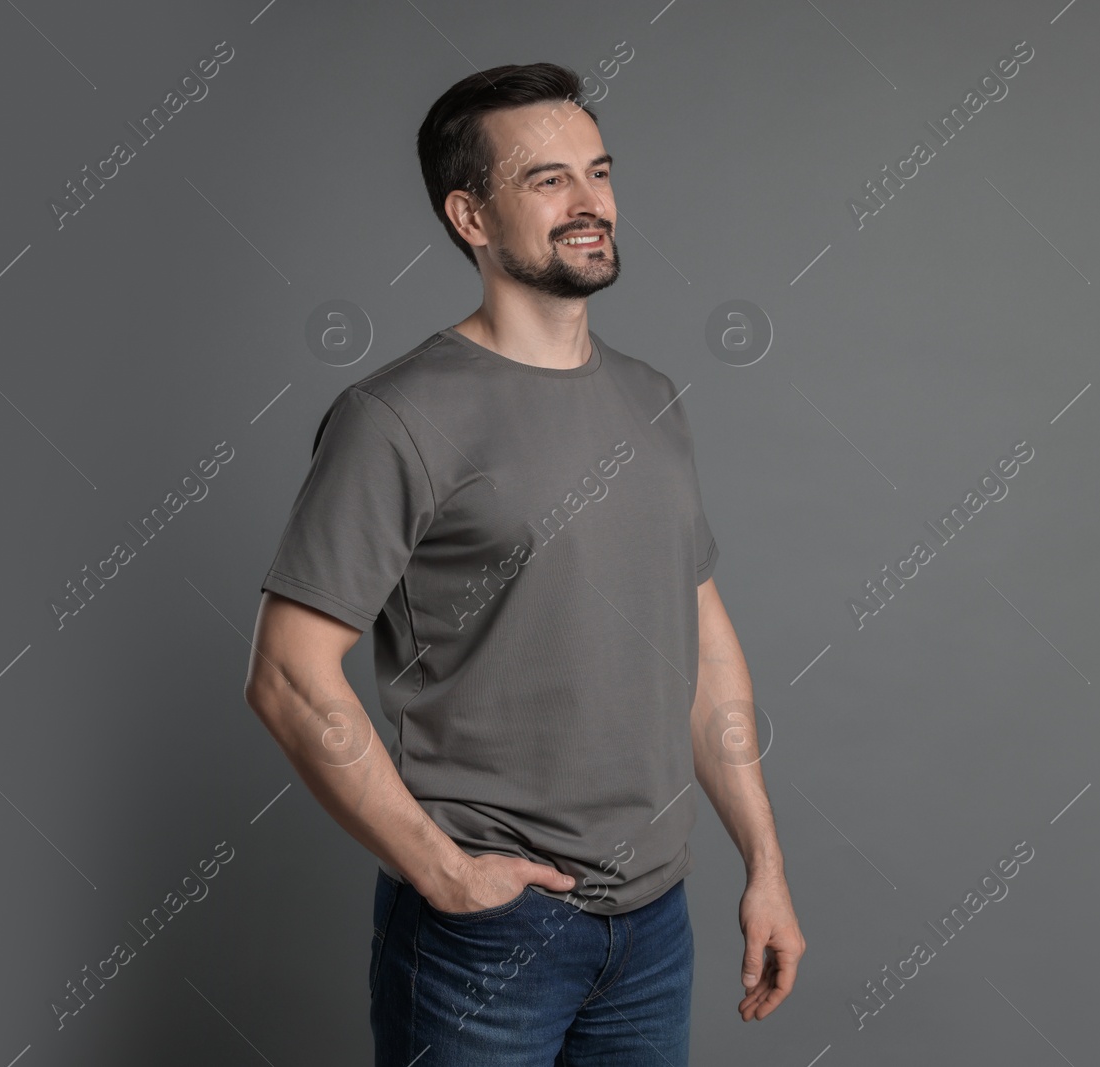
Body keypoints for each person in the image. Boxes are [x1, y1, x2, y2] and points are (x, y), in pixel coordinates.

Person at [243, 61, 805, 1065]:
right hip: (487, 937)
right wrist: (446, 874)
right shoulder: (397, 417)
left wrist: (762, 861)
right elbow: (286, 674)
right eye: (547, 180)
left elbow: (701, 641)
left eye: (597, 171)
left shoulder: (652, 399)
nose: (590, 203)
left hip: (654, 927)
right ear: (470, 215)